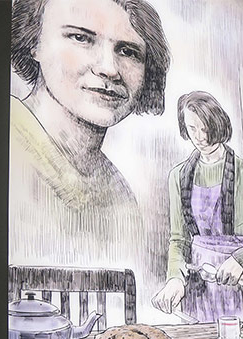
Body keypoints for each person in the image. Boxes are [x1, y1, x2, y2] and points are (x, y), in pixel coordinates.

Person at [9, 0, 170, 273]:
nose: (109, 69)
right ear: (33, 41)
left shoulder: (120, 198)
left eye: (128, 51)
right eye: (81, 38)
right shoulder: (5, 148)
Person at [152, 91, 243, 322]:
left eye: (205, 127)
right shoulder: (178, 176)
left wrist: (240, 259)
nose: (200, 137)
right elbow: (179, 240)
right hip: (201, 292)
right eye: (192, 128)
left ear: (218, 123)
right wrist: (175, 278)